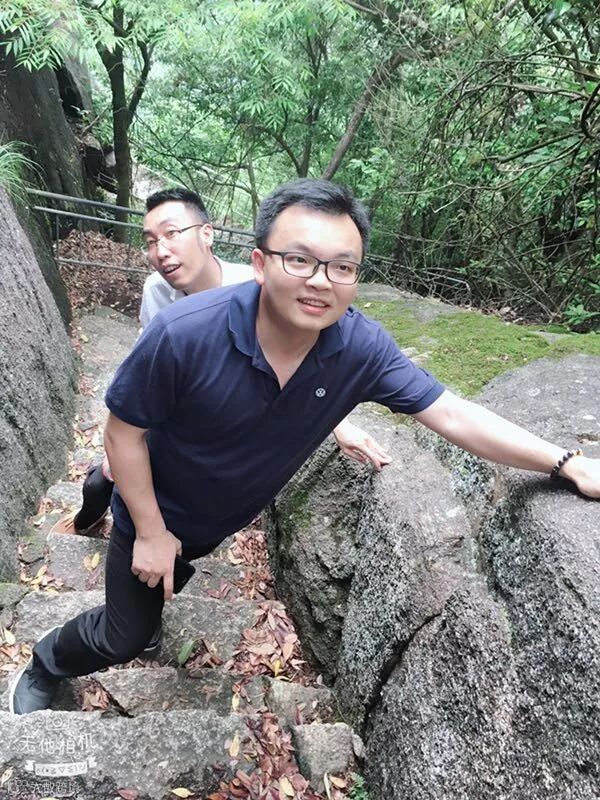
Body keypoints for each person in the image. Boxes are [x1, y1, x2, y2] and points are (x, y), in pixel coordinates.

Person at [10, 178, 600, 715]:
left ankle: (149, 604)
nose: (320, 281)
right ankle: (46, 662)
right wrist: (150, 533)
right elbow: (122, 432)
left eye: (342, 267)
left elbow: (451, 412)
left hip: (215, 520)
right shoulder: (183, 333)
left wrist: (566, 462)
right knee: (123, 636)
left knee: (161, 589)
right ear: (260, 263)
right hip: (154, 513)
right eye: (300, 260)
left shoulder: (359, 349)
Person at [55, 187, 390, 537]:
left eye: (172, 233)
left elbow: (301, 357)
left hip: (214, 421)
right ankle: (89, 522)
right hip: (163, 410)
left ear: (207, 234)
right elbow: (147, 363)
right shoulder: (156, 289)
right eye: (151, 241)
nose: (161, 251)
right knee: (104, 479)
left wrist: (338, 424)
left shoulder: (259, 288)